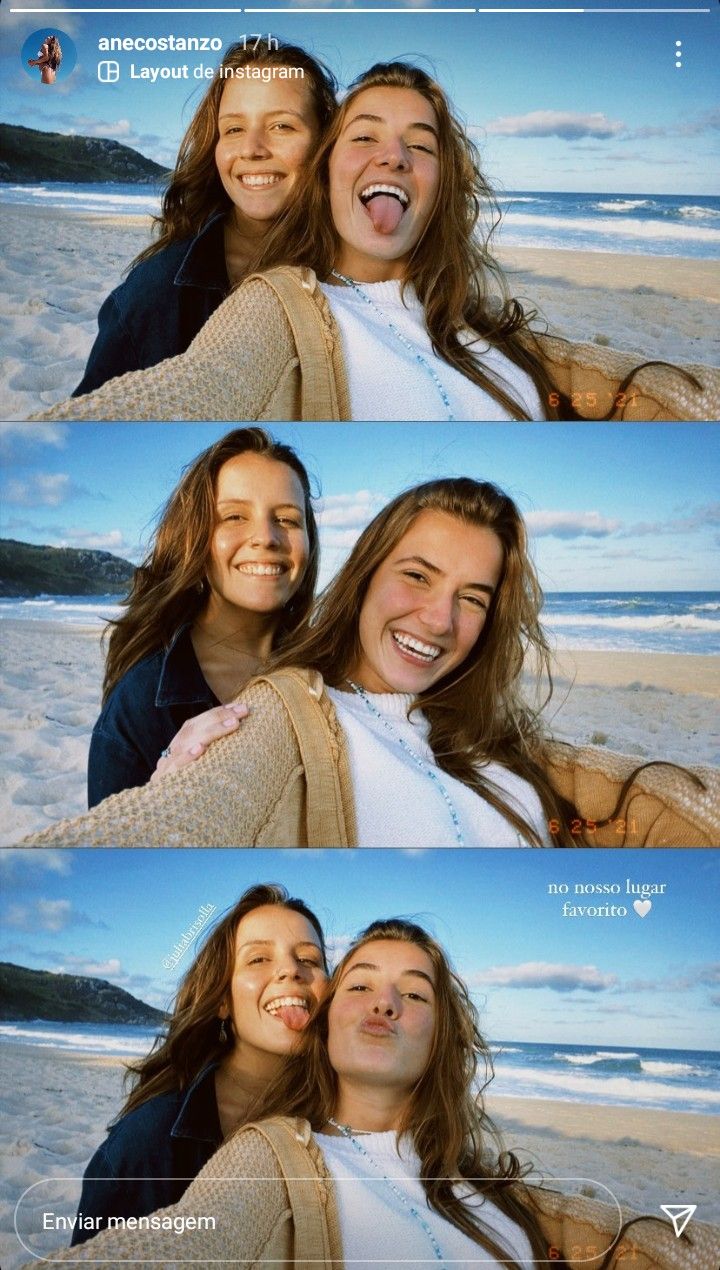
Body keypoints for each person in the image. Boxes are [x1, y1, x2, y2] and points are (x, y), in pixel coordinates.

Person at [36, 62, 716, 424]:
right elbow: (195, 387)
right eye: (364, 136)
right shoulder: (271, 305)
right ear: (332, 168)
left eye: (419, 145)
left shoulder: (471, 317)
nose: (391, 155)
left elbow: (619, 383)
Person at [28, 920, 710, 1268]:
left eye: (414, 994)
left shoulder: (479, 1181)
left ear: (442, 1038)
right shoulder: (268, 1163)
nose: (385, 1002)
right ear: (325, 1026)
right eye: (359, 985)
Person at [72, 39, 337, 395]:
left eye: (281, 126)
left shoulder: (361, 273)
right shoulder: (155, 295)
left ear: (325, 141)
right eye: (233, 129)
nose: (252, 149)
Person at [70, 883, 328, 1244]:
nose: (291, 971)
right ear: (223, 1000)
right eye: (258, 959)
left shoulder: (339, 1122)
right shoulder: (147, 1145)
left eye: (310, 960)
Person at [87, 428, 319, 806]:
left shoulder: (332, 673)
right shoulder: (140, 706)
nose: (266, 537)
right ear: (194, 537)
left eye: (288, 520)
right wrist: (160, 796)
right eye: (234, 516)